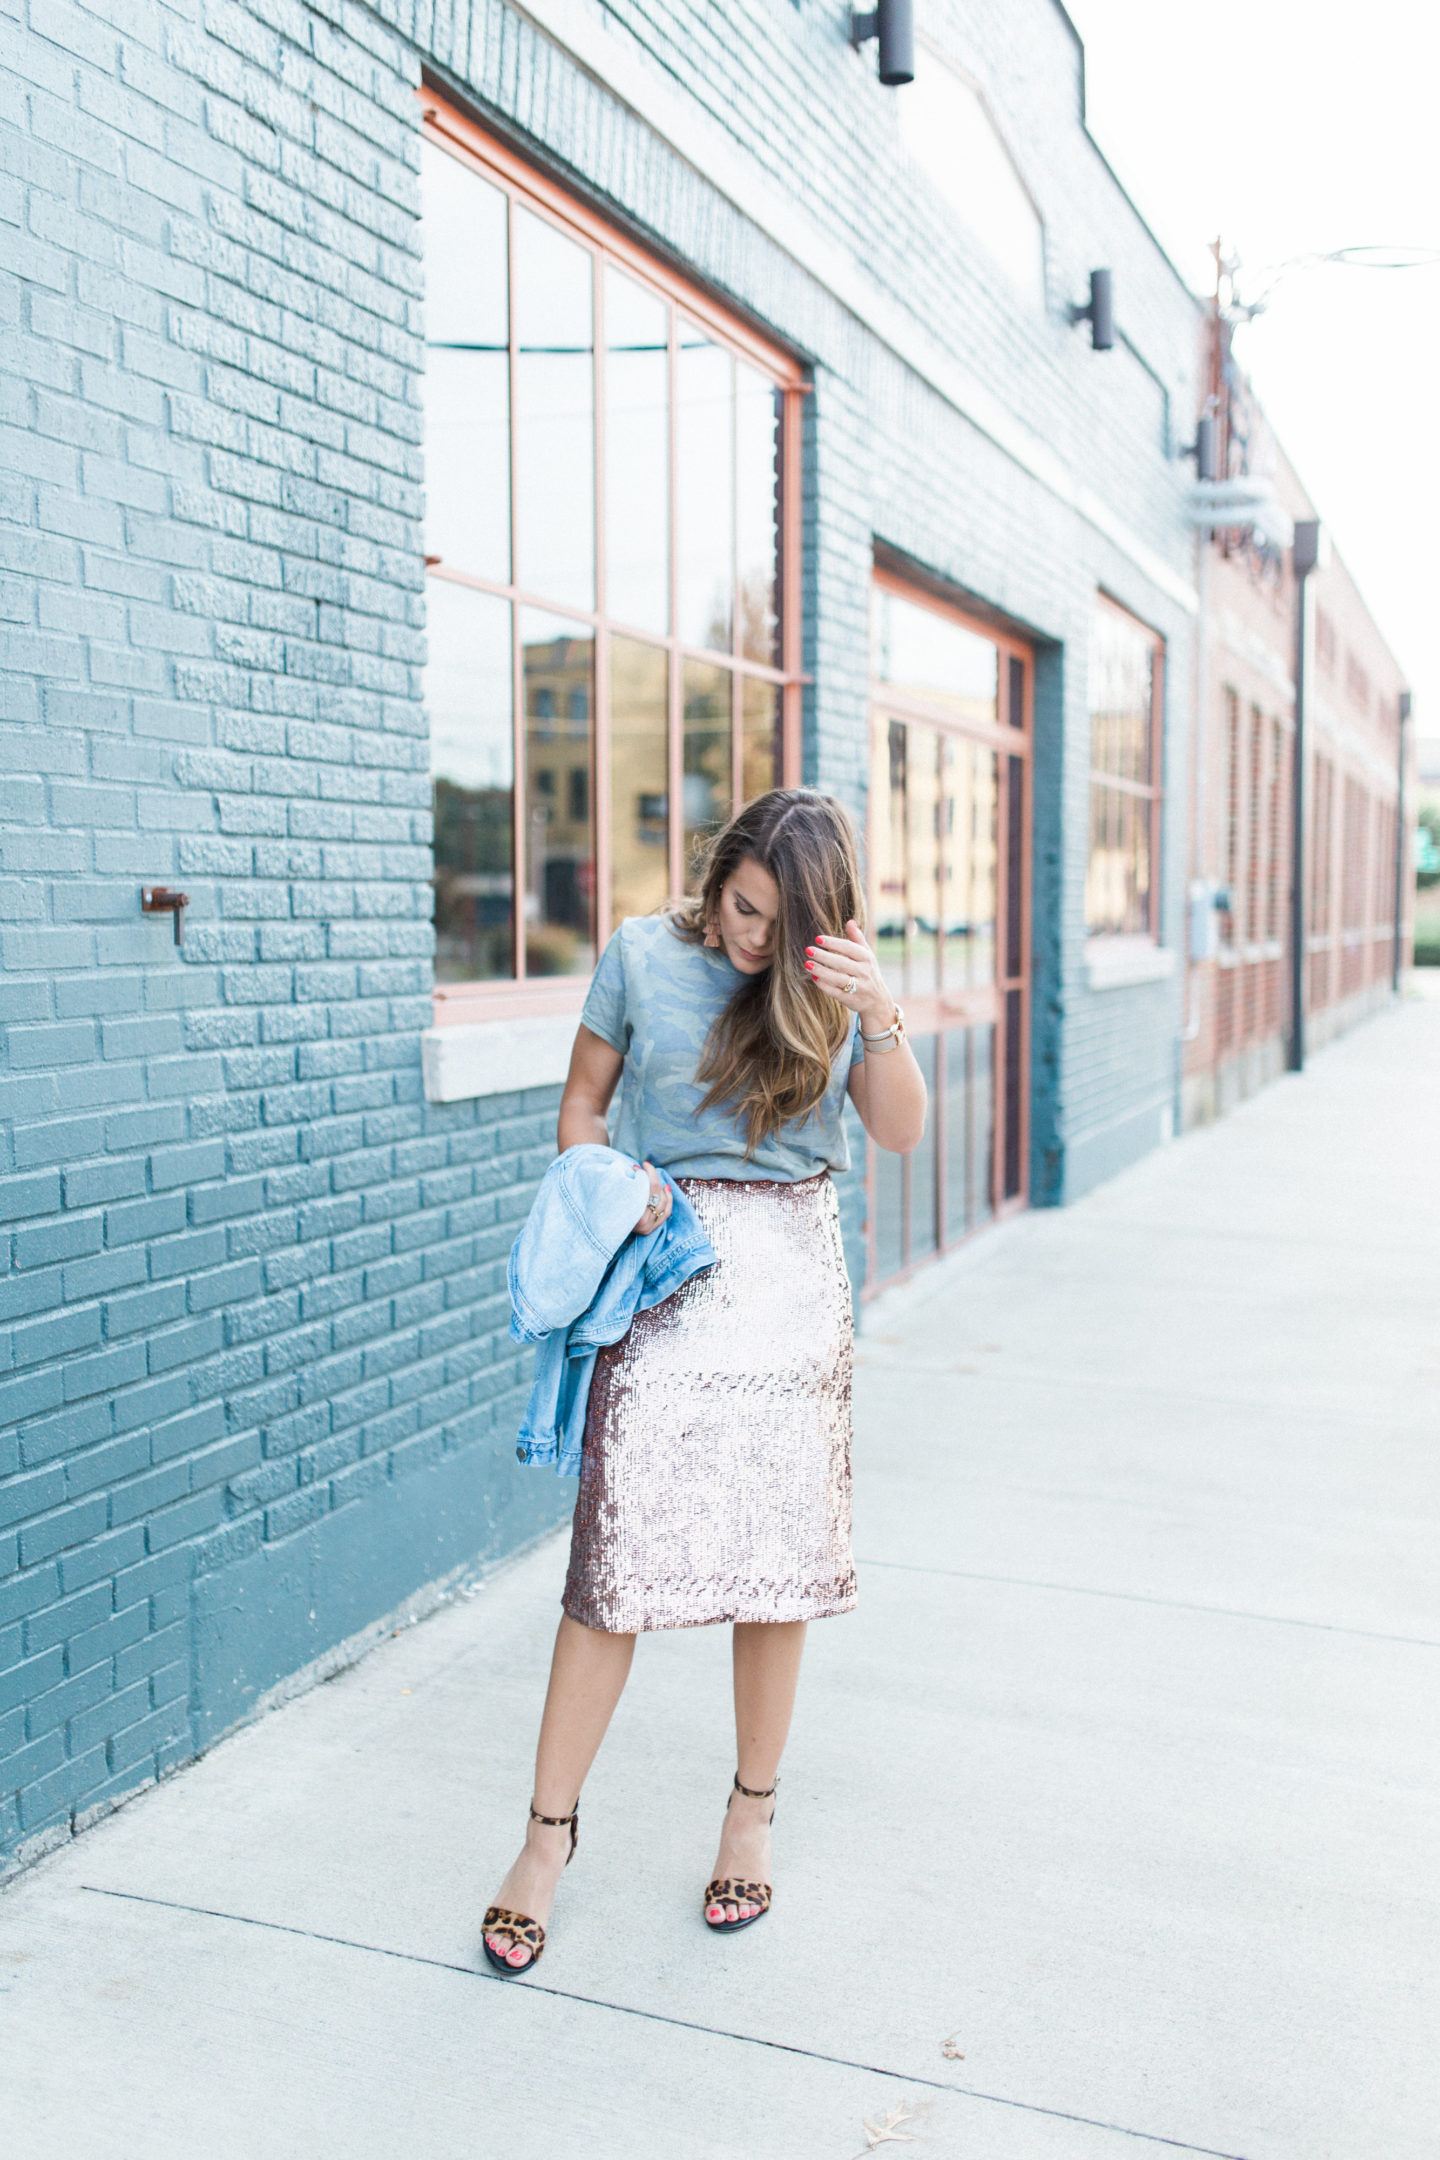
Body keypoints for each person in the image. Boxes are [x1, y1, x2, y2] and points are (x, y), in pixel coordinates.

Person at [482, 788, 927, 1975]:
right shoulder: (638, 954)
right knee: (610, 1570)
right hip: (664, 1272)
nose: (749, 936)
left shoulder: (834, 987)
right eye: (740, 905)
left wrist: (879, 1014)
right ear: (718, 872)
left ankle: (749, 1819)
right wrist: (605, 1178)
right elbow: (579, 1105)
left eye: (777, 924)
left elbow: (897, 1133)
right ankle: (544, 1840)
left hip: (790, 1291)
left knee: (773, 1573)